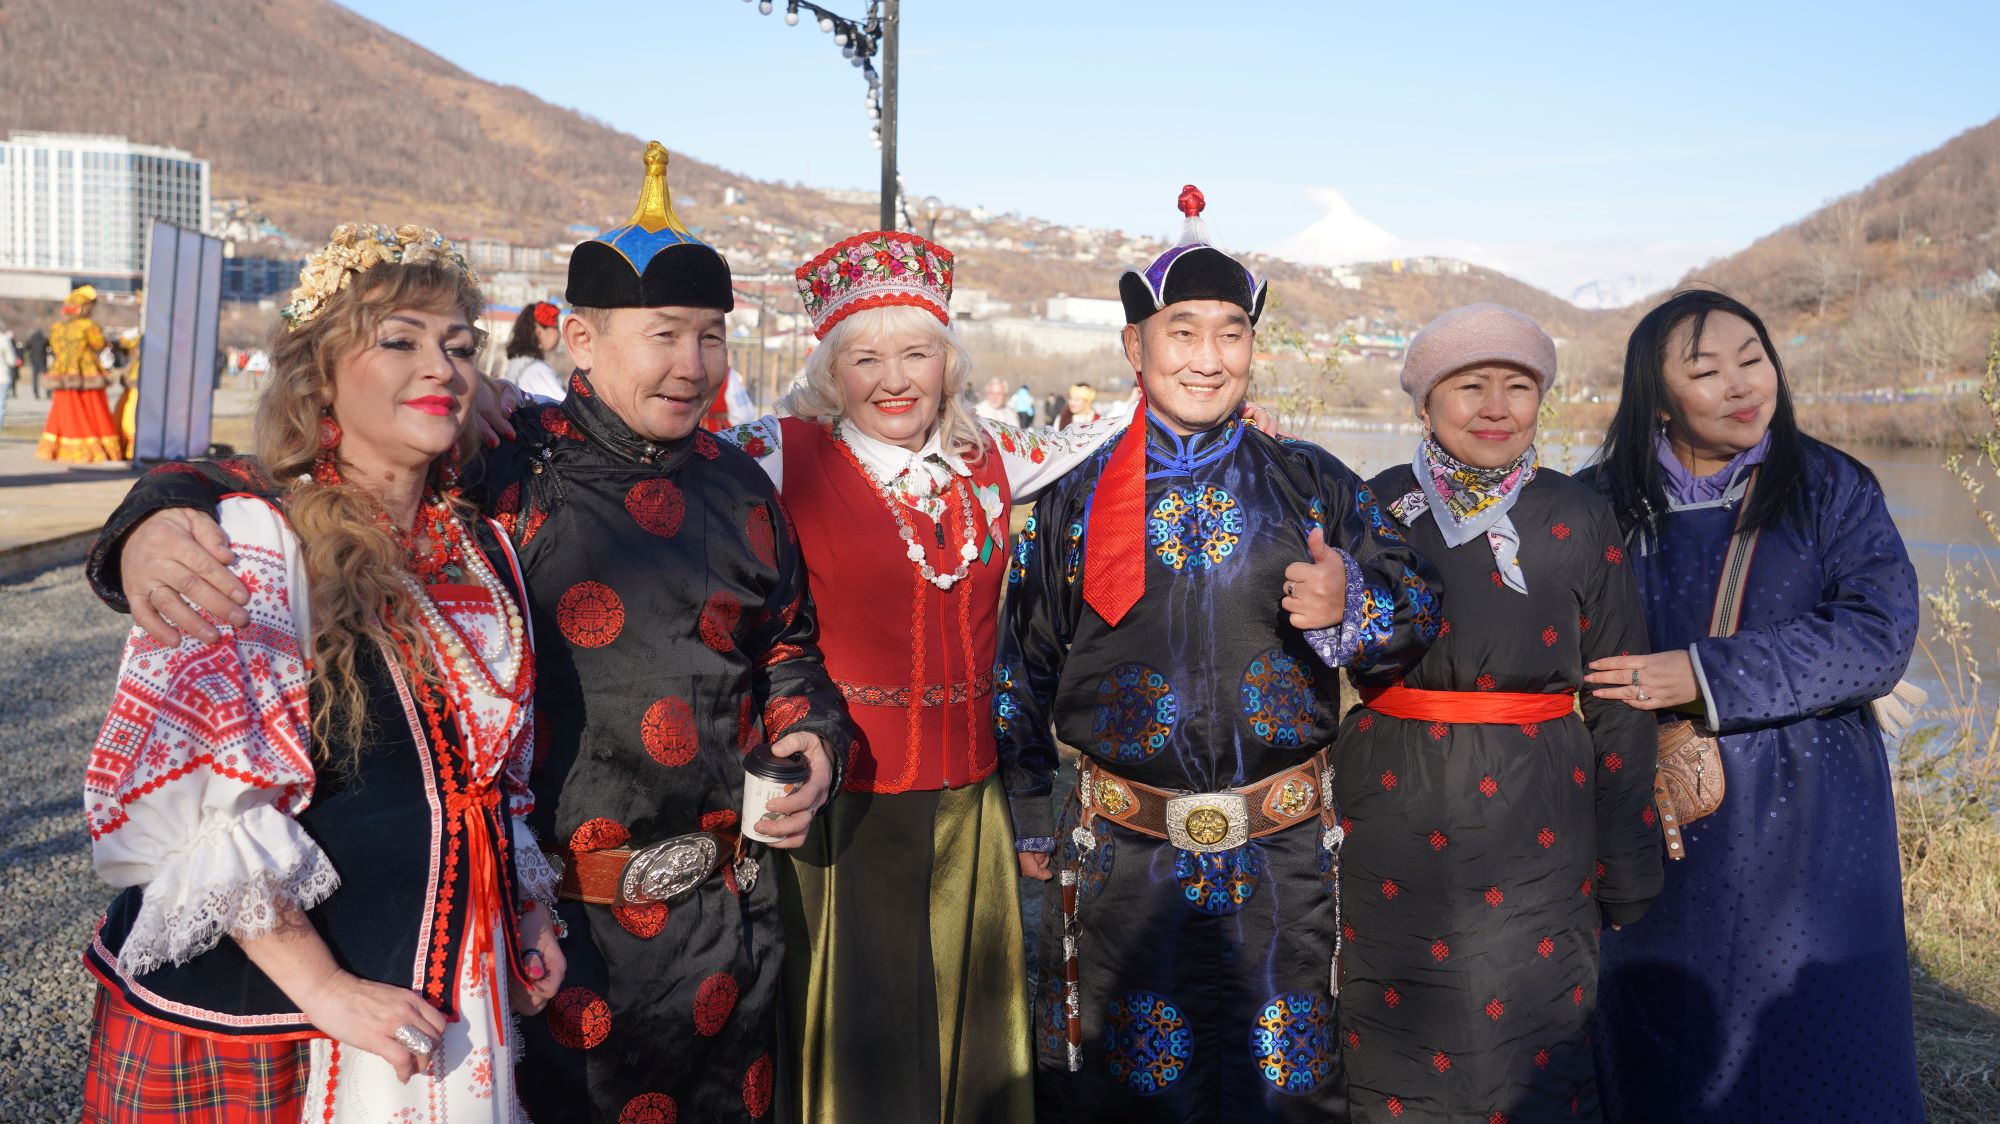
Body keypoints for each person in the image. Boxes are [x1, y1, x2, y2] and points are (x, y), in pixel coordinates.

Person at [87, 141, 853, 1124]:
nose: (692, 364)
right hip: (562, 945)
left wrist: (808, 736)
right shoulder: (506, 467)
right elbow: (298, 473)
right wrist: (152, 513)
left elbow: (786, 644)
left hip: (720, 931)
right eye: (664, 333)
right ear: (577, 337)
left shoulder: (742, 487)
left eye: (711, 336)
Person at [77, 224, 565, 1122]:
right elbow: (194, 813)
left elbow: (493, 777)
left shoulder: (480, 547)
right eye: (400, 341)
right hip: (284, 1024)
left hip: (444, 992)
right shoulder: (254, 540)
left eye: (460, 346)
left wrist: (525, 909)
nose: (442, 367)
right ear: (321, 374)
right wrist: (328, 988)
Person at [999, 186, 1441, 1122]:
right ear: (1135, 347)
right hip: (1121, 862)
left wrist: (1348, 606)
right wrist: (1029, 815)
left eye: (1231, 333)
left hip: (1282, 864)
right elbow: (1019, 671)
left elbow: (1419, 609)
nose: (1208, 358)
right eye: (1183, 332)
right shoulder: (1073, 504)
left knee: (1283, 1095)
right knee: (1129, 1094)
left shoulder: (1311, 481)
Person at [715, 229, 1126, 1123]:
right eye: (866, 357)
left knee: (964, 1014)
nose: (894, 378)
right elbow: (660, 441)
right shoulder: (781, 451)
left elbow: (1108, 433)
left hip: (965, 799)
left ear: (950, 363)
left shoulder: (988, 457)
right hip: (842, 796)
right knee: (863, 1026)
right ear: (831, 373)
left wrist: (1238, 420)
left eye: (917, 353)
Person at [1581, 289, 1923, 1122]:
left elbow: (1878, 634)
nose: (1741, 385)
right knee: (1660, 1034)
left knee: (1814, 1038)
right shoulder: (1598, 504)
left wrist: (1701, 673)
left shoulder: (1830, 486)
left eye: (1753, 359)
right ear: (1658, 395)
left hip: (1812, 816)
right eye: (1706, 370)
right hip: (1653, 812)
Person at [1334, 304, 1661, 1122]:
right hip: (1392, 799)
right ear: (1424, 401)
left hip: (1540, 799)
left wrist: (1626, 854)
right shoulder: (1372, 509)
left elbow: (1619, 689)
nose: (1495, 406)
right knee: (1393, 1012)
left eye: (1518, 386)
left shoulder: (1580, 515)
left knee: (1537, 1020)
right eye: (1469, 385)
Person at [36, 285, 126, 462]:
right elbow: (98, 344)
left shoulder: (58, 327)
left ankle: (62, 448)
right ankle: (94, 447)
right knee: (92, 407)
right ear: (86, 307)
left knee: (63, 408)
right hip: (86, 372)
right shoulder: (89, 325)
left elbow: (55, 348)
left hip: (62, 372)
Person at [501, 300, 567, 400]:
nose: (560, 334)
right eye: (556, 327)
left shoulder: (520, 362)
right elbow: (563, 407)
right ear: (539, 332)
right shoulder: (536, 370)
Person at [23, 325, 49, 399]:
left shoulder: (32, 340)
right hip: (43, 360)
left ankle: (36, 393)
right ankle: (48, 392)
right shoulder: (44, 339)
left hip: (34, 361)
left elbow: (26, 347)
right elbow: (49, 347)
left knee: (35, 378)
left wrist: (31, 352)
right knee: (46, 377)